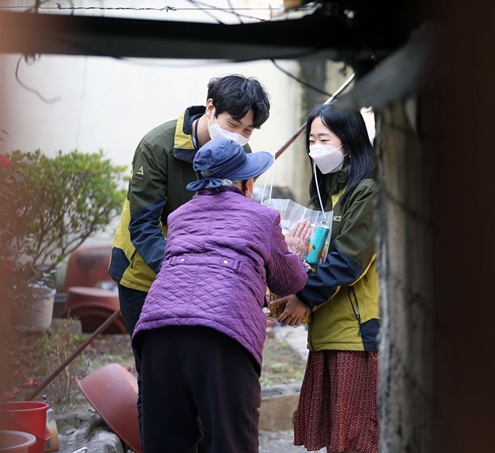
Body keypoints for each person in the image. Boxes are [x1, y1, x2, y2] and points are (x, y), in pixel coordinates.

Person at [106, 74, 270, 438]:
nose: (240, 137)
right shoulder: (158, 145)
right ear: (210, 108)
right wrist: (180, 274)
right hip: (147, 277)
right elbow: (143, 225)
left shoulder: (237, 153)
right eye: (233, 124)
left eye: (249, 130)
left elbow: (238, 215)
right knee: (158, 382)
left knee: (204, 381)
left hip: (206, 283)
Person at [131, 138, 310, 453]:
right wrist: (295, 251)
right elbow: (288, 281)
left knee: (166, 444)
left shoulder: (179, 217)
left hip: (157, 332)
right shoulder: (261, 217)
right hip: (221, 334)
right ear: (244, 182)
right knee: (230, 444)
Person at [270, 103, 380, 453]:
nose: (315, 146)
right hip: (326, 332)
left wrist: (303, 298)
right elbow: (317, 260)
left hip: (356, 334)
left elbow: (349, 261)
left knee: (359, 440)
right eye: (312, 139)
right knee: (339, 440)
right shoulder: (322, 194)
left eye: (324, 138)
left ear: (348, 140)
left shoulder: (367, 191)